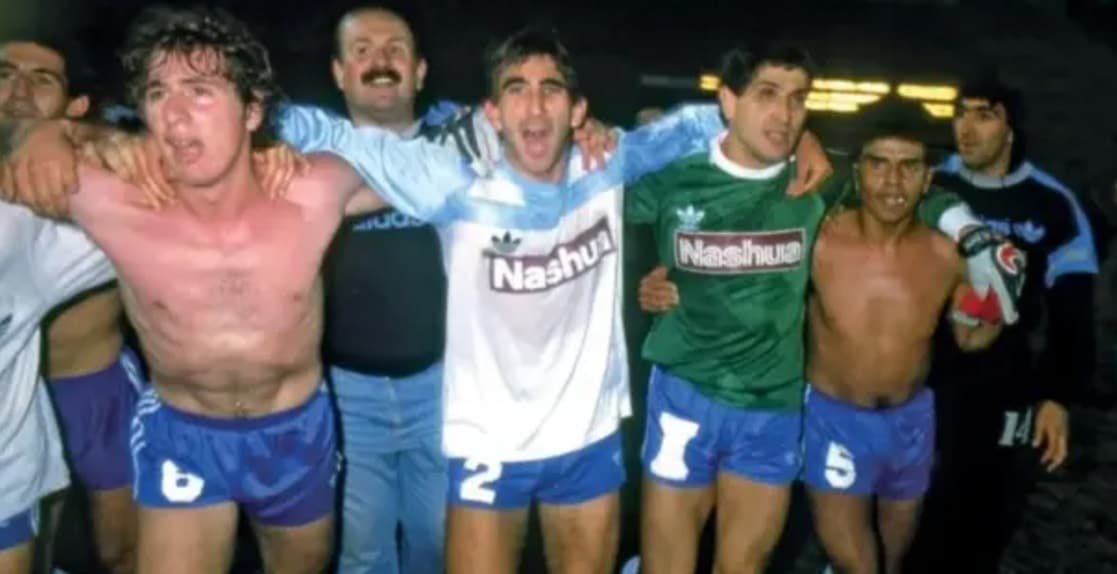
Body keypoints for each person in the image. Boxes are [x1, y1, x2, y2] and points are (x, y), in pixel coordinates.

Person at [0, 6, 406, 572]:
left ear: (253, 110)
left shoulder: (314, 185)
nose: (175, 115)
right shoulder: (110, 197)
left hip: (294, 432)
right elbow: (15, 155)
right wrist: (49, 131)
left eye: (199, 91)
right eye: (157, 93)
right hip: (181, 432)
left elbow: (436, 172)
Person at [625, 47, 1023, 574]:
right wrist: (648, 279)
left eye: (797, 99)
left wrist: (975, 247)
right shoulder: (700, 183)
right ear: (729, 100)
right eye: (768, 95)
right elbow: (609, 216)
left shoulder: (833, 192)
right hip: (716, 397)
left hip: (810, 410)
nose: (785, 113)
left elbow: (906, 202)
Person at [905, 73, 1099, 573]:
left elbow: (1073, 309)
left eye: (984, 116)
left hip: (1005, 378)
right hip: (925, 371)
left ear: (1010, 129)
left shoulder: (1051, 204)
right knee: (915, 514)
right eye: (960, 114)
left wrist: (1057, 395)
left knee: (984, 518)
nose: (966, 128)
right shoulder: (930, 184)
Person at [798, 98, 1002, 574]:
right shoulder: (820, 240)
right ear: (857, 173)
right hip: (834, 421)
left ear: (927, 178)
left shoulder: (947, 256)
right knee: (861, 567)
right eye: (879, 164)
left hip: (912, 423)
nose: (893, 182)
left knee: (889, 565)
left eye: (909, 167)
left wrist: (998, 300)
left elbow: (972, 339)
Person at [325, 6, 491, 573]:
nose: (381, 61)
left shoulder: (471, 149)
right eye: (363, 50)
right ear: (339, 72)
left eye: (396, 49)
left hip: (444, 389)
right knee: (361, 555)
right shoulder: (309, 160)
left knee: (442, 546)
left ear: (419, 72)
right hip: (346, 398)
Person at [0, 34, 139, 574]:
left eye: (41, 80)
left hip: (89, 382)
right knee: (41, 544)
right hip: (21, 403)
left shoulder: (93, 166)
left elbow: (168, 162)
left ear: (75, 104)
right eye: (5, 74)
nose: (18, 91)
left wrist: (65, 133)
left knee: (119, 549)